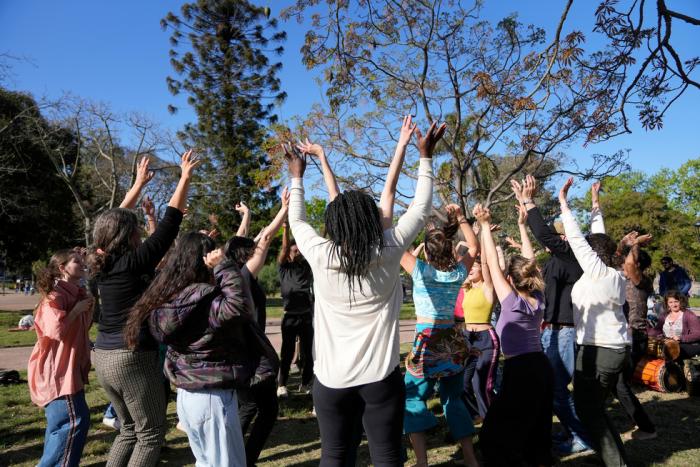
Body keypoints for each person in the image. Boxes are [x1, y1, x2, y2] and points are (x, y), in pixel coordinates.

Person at [285, 119, 443, 465]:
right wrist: (425, 157)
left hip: (330, 382)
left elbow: (296, 222)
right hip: (380, 380)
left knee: (335, 455)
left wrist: (297, 177)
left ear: (333, 224)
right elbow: (419, 207)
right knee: (387, 456)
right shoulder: (389, 250)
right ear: (372, 222)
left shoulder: (321, 254)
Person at [88, 151, 197, 467]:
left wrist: (136, 185)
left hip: (104, 357)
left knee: (129, 431)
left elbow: (112, 220)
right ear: (129, 236)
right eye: (135, 228)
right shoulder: (133, 264)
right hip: (131, 357)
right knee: (150, 434)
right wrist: (185, 177)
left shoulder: (100, 265)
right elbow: (171, 221)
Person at [125, 233, 255, 467]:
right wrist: (224, 266)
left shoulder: (168, 294)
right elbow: (240, 308)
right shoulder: (203, 298)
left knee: (207, 461)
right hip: (211, 393)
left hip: (189, 392)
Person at [517, 175, 594, 454]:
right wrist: (523, 216)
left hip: (565, 331)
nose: (553, 236)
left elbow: (544, 235)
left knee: (558, 388)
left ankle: (582, 437)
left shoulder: (572, 257)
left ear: (565, 237)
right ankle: (572, 431)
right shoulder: (553, 262)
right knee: (554, 390)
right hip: (550, 330)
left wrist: (530, 201)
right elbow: (530, 263)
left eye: (557, 234)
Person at [473, 202, 553, 466]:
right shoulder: (539, 298)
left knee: (497, 429)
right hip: (541, 366)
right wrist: (521, 225)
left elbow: (494, 266)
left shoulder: (511, 301)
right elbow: (529, 263)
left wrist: (485, 226)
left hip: (520, 369)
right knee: (536, 422)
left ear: (510, 278)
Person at [558, 177, 631, 466]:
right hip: (612, 350)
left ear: (595, 255)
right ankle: (613, 456)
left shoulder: (601, 273)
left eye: (590, 250)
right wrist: (594, 203)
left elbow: (578, 239)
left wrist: (563, 202)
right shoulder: (611, 274)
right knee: (595, 410)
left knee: (589, 411)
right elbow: (599, 238)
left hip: (598, 352)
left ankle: (616, 462)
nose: (583, 252)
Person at [400, 203, 480, 467]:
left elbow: (398, 243)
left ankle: (422, 462)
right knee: (453, 399)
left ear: (428, 251)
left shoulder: (421, 272)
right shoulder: (457, 273)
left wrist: (413, 214)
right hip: (453, 342)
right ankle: (470, 458)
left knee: (413, 398)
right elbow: (474, 247)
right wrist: (460, 218)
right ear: (448, 249)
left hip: (427, 342)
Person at [227, 188, 289, 466]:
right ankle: (240, 458)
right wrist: (284, 208)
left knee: (249, 405)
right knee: (259, 407)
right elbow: (264, 239)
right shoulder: (242, 275)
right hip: (249, 352)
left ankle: (236, 457)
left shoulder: (226, 272)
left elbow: (240, 243)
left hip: (234, 350)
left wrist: (247, 215)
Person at [28, 249, 94, 467]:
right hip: (57, 371)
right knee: (73, 423)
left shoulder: (76, 292)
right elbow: (56, 330)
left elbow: (84, 328)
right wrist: (75, 310)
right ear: (62, 268)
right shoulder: (55, 296)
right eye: (76, 261)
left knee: (63, 425)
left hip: (69, 367)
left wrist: (86, 305)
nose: (82, 263)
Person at [276, 225, 315, 398]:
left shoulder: (306, 266)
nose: (298, 251)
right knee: (287, 352)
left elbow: (315, 247)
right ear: (290, 253)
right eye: (295, 249)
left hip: (306, 315)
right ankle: (282, 385)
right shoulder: (284, 267)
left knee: (307, 352)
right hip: (290, 316)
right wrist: (285, 229)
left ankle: (305, 383)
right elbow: (284, 249)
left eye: (299, 249)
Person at [649, 291, 700, 359]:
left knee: (669, 351)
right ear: (667, 303)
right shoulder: (664, 315)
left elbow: (698, 334)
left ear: (681, 301)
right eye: (671, 302)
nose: (674, 304)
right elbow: (657, 330)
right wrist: (645, 332)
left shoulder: (689, 315)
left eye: (676, 301)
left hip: (687, 344)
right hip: (668, 344)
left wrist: (681, 338)